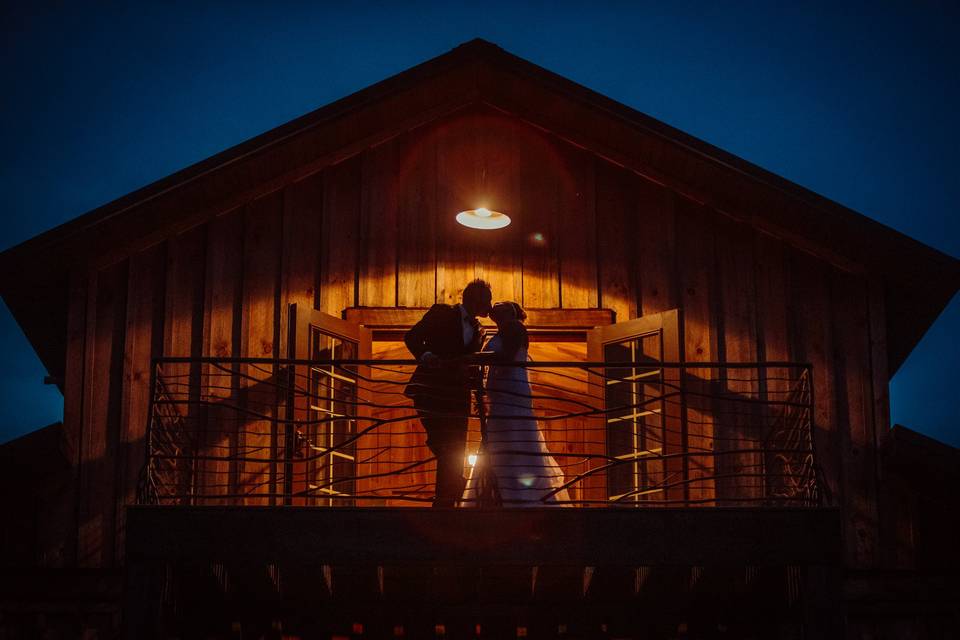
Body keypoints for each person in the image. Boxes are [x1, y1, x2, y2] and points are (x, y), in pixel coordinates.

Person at [462, 301, 572, 507]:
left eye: (500, 305)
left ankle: (520, 494)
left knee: (514, 436)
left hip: (511, 392)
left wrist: (475, 358)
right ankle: (499, 491)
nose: (494, 306)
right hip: (501, 394)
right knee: (499, 439)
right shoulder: (499, 331)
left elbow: (507, 356)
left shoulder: (515, 327)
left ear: (510, 311)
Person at [404, 279, 492, 507]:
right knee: (443, 443)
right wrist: (427, 356)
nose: (490, 306)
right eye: (487, 300)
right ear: (474, 300)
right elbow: (412, 337)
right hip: (430, 390)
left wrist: (478, 394)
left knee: (455, 449)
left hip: (458, 396)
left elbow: (472, 365)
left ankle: (445, 501)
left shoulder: (479, 329)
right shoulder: (441, 313)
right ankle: (459, 488)